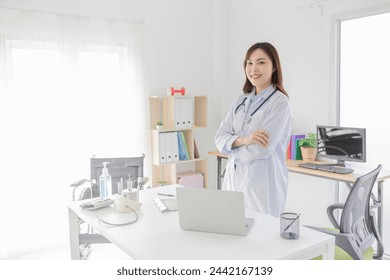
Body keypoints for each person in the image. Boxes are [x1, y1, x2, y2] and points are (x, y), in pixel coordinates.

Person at [214, 42, 292, 217]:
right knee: (233, 233)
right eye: (249, 63)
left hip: (262, 186)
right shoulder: (240, 101)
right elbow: (219, 137)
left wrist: (232, 145)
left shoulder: (280, 102)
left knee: (262, 238)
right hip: (234, 181)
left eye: (261, 62)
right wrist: (245, 140)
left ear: (274, 67)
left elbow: (261, 149)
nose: (253, 68)